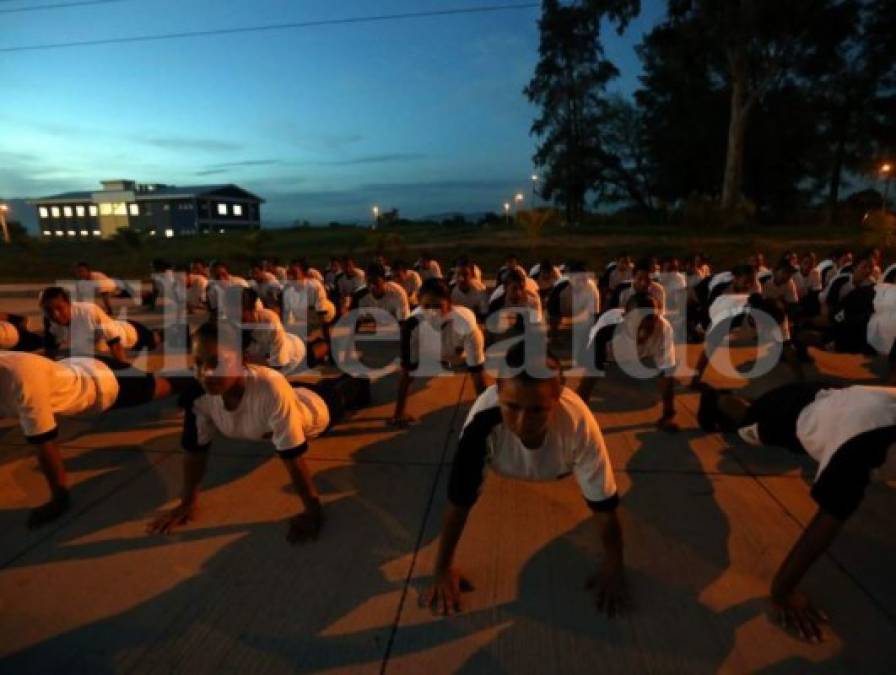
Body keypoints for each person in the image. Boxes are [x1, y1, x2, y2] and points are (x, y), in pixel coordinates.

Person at [421, 342, 627, 617]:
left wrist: (615, 566)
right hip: (503, 460)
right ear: (497, 393)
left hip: (560, 464)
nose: (521, 422)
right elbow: (459, 504)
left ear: (558, 398)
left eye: (537, 410)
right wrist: (441, 569)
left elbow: (605, 508)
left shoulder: (579, 423)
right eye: (512, 407)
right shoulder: (480, 425)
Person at [696, 382, 896, 642]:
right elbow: (830, 516)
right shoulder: (865, 443)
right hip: (791, 414)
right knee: (747, 423)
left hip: (835, 398)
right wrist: (783, 590)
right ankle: (717, 396)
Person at [147, 321, 369, 542]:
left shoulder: (269, 387)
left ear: (243, 360)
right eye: (197, 363)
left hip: (315, 409)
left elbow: (293, 458)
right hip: (291, 395)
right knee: (320, 386)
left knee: (350, 387)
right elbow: (195, 452)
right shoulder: (199, 395)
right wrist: (187, 503)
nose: (205, 373)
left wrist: (313, 511)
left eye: (217, 362)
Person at [0, 350, 193, 528]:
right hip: (80, 365)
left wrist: (59, 499)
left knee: (161, 387)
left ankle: (200, 376)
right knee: (154, 380)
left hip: (104, 382)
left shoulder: (22, 378)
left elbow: (44, 444)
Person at [391, 278, 487, 427]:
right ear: (419, 305)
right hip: (434, 351)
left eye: (437, 306)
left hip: (460, 353)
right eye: (427, 306)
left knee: (472, 360)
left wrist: (485, 413)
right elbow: (407, 373)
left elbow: (477, 376)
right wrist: (398, 413)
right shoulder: (411, 326)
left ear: (449, 305)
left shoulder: (465, 323)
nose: (432, 312)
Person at [578, 293, 678, 430]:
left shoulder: (664, 329)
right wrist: (578, 415)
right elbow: (589, 378)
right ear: (625, 319)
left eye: (650, 324)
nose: (643, 333)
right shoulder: (605, 333)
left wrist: (668, 415)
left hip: (641, 355)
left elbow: (667, 374)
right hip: (612, 356)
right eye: (638, 325)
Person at [40, 286, 162, 363]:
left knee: (155, 340)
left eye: (59, 308)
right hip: (105, 339)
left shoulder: (89, 311)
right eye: (48, 310)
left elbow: (115, 345)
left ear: (69, 304)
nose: (55, 314)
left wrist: (124, 372)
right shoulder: (48, 319)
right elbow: (50, 351)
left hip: (130, 334)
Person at [241, 288, 326, 374]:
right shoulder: (233, 323)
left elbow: (277, 365)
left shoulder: (269, 321)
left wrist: (250, 361)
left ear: (252, 310)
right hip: (279, 343)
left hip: (294, 355)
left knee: (318, 349)